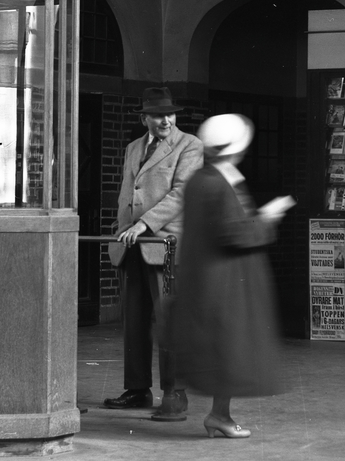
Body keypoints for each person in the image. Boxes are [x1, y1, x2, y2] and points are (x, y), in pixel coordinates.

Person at [166, 113, 295, 438]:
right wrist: (268, 217)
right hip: (224, 282)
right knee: (230, 348)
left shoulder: (203, 179)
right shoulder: (218, 182)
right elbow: (232, 233)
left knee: (224, 349)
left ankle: (220, 415)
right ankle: (219, 415)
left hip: (211, 276)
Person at [103, 87, 203, 421]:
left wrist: (143, 226)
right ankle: (137, 390)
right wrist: (122, 230)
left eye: (171, 114)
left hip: (165, 246)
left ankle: (175, 393)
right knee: (133, 321)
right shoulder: (134, 147)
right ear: (144, 118)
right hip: (131, 245)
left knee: (169, 322)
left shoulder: (190, 146)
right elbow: (126, 193)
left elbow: (182, 193)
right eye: (158, 115)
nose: (166, 120)